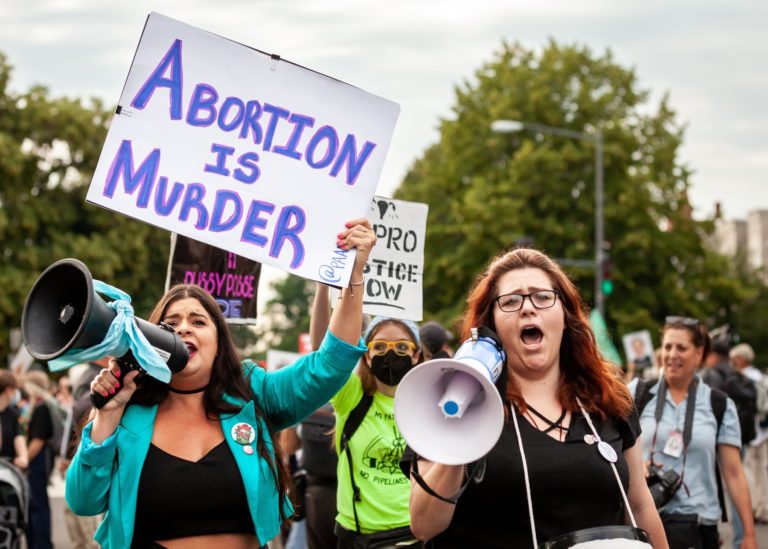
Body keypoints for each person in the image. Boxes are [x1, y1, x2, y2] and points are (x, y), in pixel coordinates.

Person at [65, 218, 376, 549]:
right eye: (170, 324)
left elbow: (332, 362)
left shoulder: (254, 393)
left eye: (198, 321)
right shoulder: (130, 408)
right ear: (150, 340)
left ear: (218, 340)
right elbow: (83, 501)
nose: (184, 329)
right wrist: (108, 416)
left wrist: (352, 274)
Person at [408, 247, 667, 548]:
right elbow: (424, 526)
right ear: (491, 323)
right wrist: (461, 432)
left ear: (565, 314)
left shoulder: (607, 397)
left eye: (543, 297)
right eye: (511, 301)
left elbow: (640, 507)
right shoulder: (451, 399)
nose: (528, 308)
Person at [630, 316, 757, 549]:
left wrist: (748, 535)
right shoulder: (637, 393)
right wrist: (635, 465)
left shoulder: (719, 404)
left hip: (699, 527)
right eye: (667, 346)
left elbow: (734, 474)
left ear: (699, 353)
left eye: (681, 347)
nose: (672, 354)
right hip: (643, 521)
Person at [331, 314, 424, 548]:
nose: (390, 354)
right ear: (367, 355)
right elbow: (325, 353)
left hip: (412, 532)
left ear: (416, 355)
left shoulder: (428, 403)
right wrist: (324, 287)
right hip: (357, 536)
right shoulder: (351, 396)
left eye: (402, 347)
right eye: (379, 346)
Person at [730, 343, 768, 524]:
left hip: (749, 433)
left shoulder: (741, 379)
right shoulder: (761, 377)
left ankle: (751, 508)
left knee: (747, 470)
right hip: (764, 430)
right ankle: (764, 508)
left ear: (740, 360)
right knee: (763, 471)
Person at [24, 370, 56, 549]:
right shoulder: (41, 406)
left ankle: (42, 544)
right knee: (36, 503)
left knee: (38, 504)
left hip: (38, 462)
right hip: (40, 461)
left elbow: (37, 441)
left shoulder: (42, 408)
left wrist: (24, 460)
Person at [0, 370, 28, 469]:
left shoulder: (13, 414)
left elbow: (19, 437)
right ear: (8, 390)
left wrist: (23, 458)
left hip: (5, 472)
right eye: (15, 390)